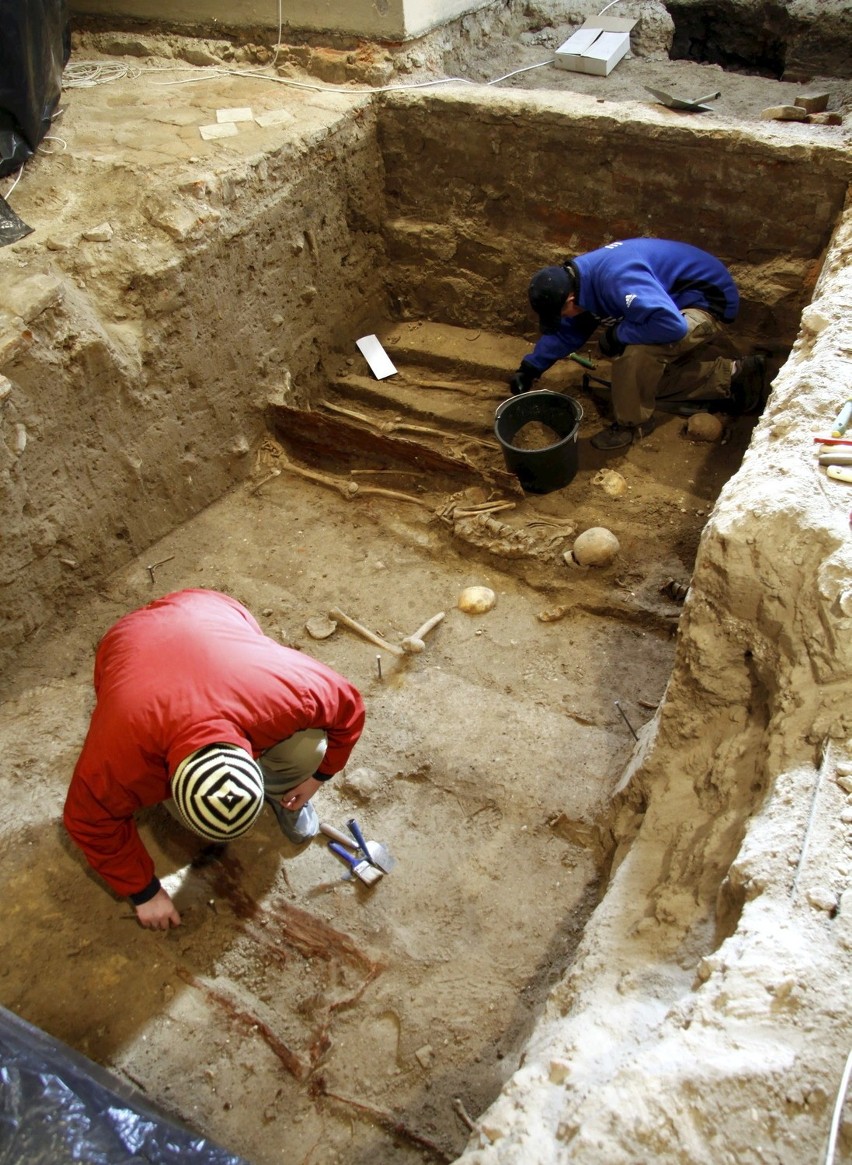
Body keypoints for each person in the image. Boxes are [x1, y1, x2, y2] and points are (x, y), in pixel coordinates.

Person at [63, 588, 365, 931]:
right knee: (174, 803)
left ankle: (280, 793)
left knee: (309, 747)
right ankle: (212, 804)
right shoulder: (122, 756)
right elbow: (87, 820)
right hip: (125, 642)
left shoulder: (283, 699)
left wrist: (318, 777)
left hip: (208, 609)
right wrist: (144, 892)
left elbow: (349, 706)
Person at [508, 238, 767, 450]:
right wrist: (530, 368)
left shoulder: (616, 279)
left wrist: (619, 335)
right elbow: (569, 331)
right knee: (634, 380)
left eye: (561, 313)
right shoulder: (580, 280)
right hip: (671, 301)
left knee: (635, 352)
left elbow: (671, 326)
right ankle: (723, 376)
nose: (562, 319)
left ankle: (635, 424)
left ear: (571, 299)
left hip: (706, 304)